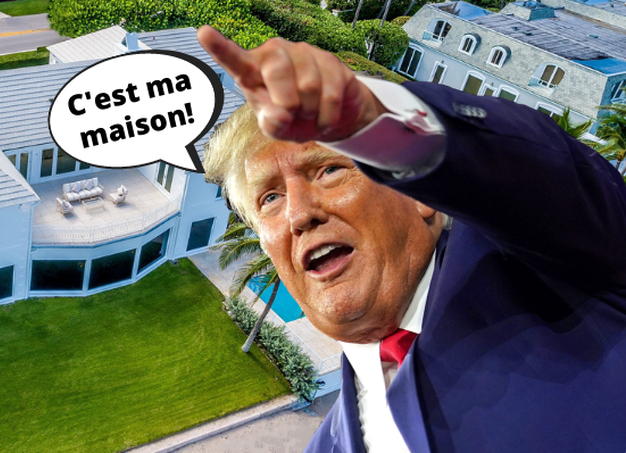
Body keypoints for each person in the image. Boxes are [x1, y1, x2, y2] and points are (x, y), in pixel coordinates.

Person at [197, 25, 626, 453]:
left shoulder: (560, 267)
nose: (299, 214)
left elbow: (542, 178)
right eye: (270, 198)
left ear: (418, 194)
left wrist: (389, 128)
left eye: (329, 170)